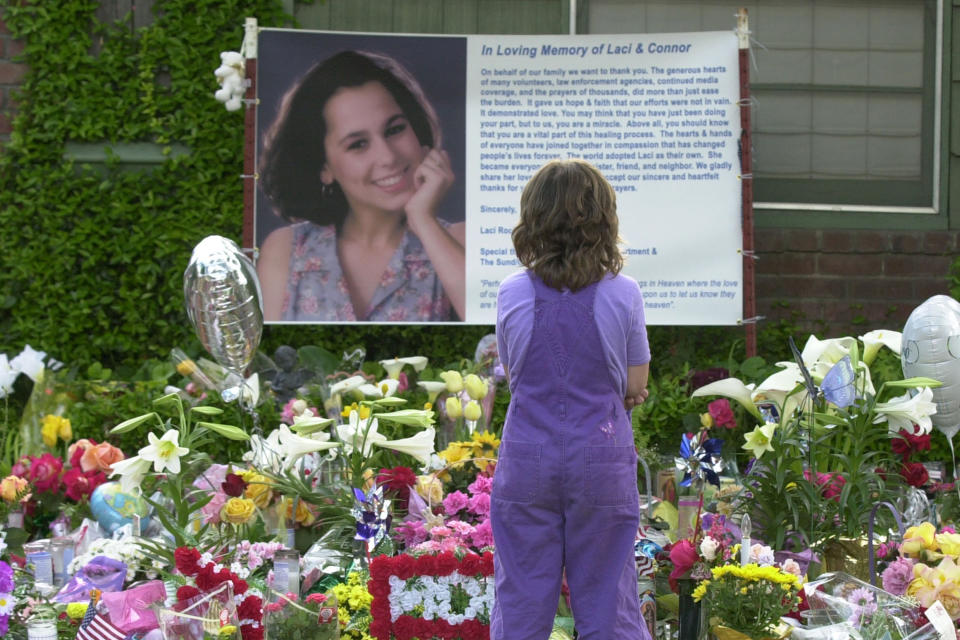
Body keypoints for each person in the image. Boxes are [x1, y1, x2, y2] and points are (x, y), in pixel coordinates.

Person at [492, 159, 651, 639]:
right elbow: (634, 386)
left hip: (526, 458)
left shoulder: (511, 292)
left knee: (520, 598)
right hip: (599, 457)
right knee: (608, 598)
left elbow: (514, 370)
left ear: (533, 219)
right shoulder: (623, 293)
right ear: (604, 219)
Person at [257, 50, 465, 322]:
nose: (388, 157)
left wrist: (423, 218)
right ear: (324, 168)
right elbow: (263, 353)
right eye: (358, 144)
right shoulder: (286, 249)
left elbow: (498, 332)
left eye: (395, 130)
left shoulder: (458, 241)